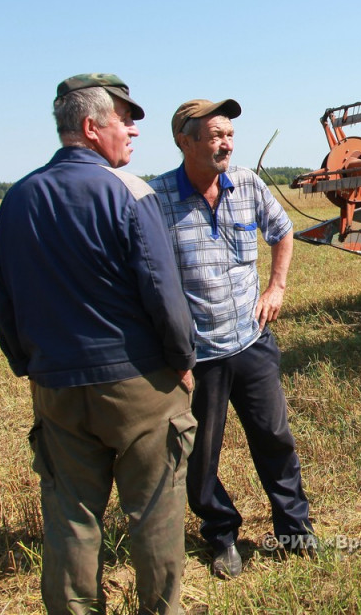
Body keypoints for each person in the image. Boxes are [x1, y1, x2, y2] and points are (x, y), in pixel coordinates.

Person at [0, 73, 198, 615]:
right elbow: (164, 292)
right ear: (90, 126)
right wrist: (181, 361)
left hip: (56, 387)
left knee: (70, 518)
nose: (132, 131)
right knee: (154, 512)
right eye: (124, 120)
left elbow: (5, 297)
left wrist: (29, 365)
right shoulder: (131, 192)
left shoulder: (18, 198)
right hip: (137, 386)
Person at [149, 98, 313, 579]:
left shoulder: (246, 183)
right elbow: (144, 276)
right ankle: (222, 536)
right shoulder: (156, 200)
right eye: (215, 134)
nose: (225, 143)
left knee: (275, 438)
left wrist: (277, 287)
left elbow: (283, 232)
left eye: (229, 135)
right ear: (185, 141)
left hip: (253, 341)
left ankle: (295, 529)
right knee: (201, 459)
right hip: (197, 358)